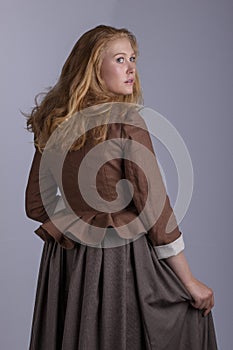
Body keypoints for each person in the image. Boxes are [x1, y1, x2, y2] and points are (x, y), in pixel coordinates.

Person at [25, 25, 218, 349]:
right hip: (118, 260)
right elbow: (154, 206)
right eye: (119, 59)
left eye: (132, 58)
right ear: (92, 67)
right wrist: (190, 282)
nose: (131, 68)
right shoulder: (125, 121)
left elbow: (35, 205)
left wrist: (75, 220)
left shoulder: (53, 121)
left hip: (67, 263)